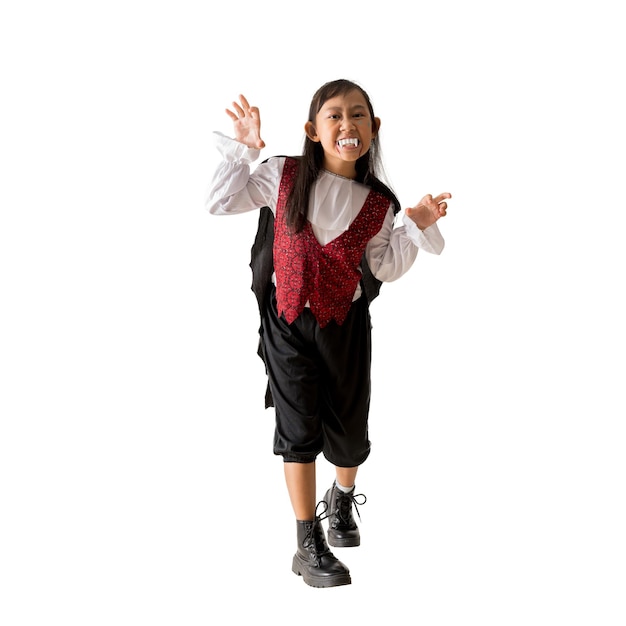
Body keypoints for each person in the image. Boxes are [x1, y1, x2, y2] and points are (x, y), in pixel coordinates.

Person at [205, 79, 450, 588]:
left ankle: (340, 500)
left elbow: (382, 268)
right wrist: (245, 150)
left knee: (349, 430)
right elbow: (220, 203)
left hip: (345, 326)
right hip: (287, 321)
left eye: (357, 115)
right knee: (298, 431)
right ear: (312, 131)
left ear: (373, 128)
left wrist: (414, 226)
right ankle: (306, 541)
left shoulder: (379, 204)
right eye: (334, 115)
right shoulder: (281, 174)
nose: (346, 124)